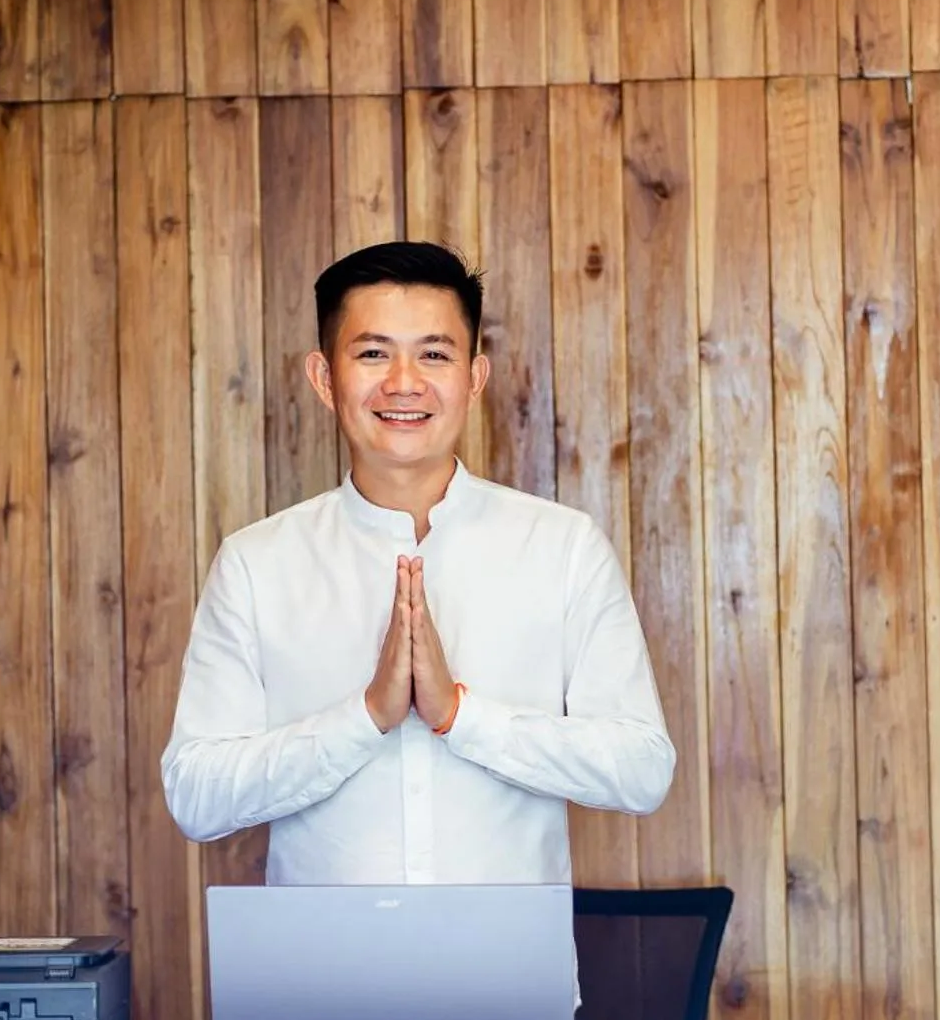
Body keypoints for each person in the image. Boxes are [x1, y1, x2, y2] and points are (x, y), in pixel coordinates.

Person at [159, 241, 674, 886]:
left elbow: (642, 770)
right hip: (322, 980)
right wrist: (365, 716)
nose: (405, 382)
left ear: (474, 378)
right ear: (325, 379)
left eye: (434, 354)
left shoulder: (563, 548)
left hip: (505, 978)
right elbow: (195, 795)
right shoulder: (256, 564)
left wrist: (461, 715)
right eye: (373, 353)